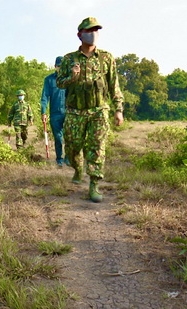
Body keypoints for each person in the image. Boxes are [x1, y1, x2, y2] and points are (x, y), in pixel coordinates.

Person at [56, 17, 124, 203]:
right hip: (75, 111)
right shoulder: (69, 59)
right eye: (89, 31)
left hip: (98, 110)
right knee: (72, 146)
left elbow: (114, 85)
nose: (93, 34)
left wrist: (118, 109)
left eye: (96, 30)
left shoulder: (106, 58)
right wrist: (72, 76)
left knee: (96, 147)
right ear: (80, 35)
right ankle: (78, 168)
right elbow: (59, 83)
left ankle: (94, 184)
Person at [40, 56, 67, 167]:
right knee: (58, 138)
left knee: (69, 137)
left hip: (68, 112)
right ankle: (59, 159)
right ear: (55, 66)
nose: (60, 68)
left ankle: (69, 159)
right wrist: (43, 112)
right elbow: (45, 97)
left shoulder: (69, 79)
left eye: (63, 66)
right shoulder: (49, 80)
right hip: (55, 113)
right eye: (59, 66)